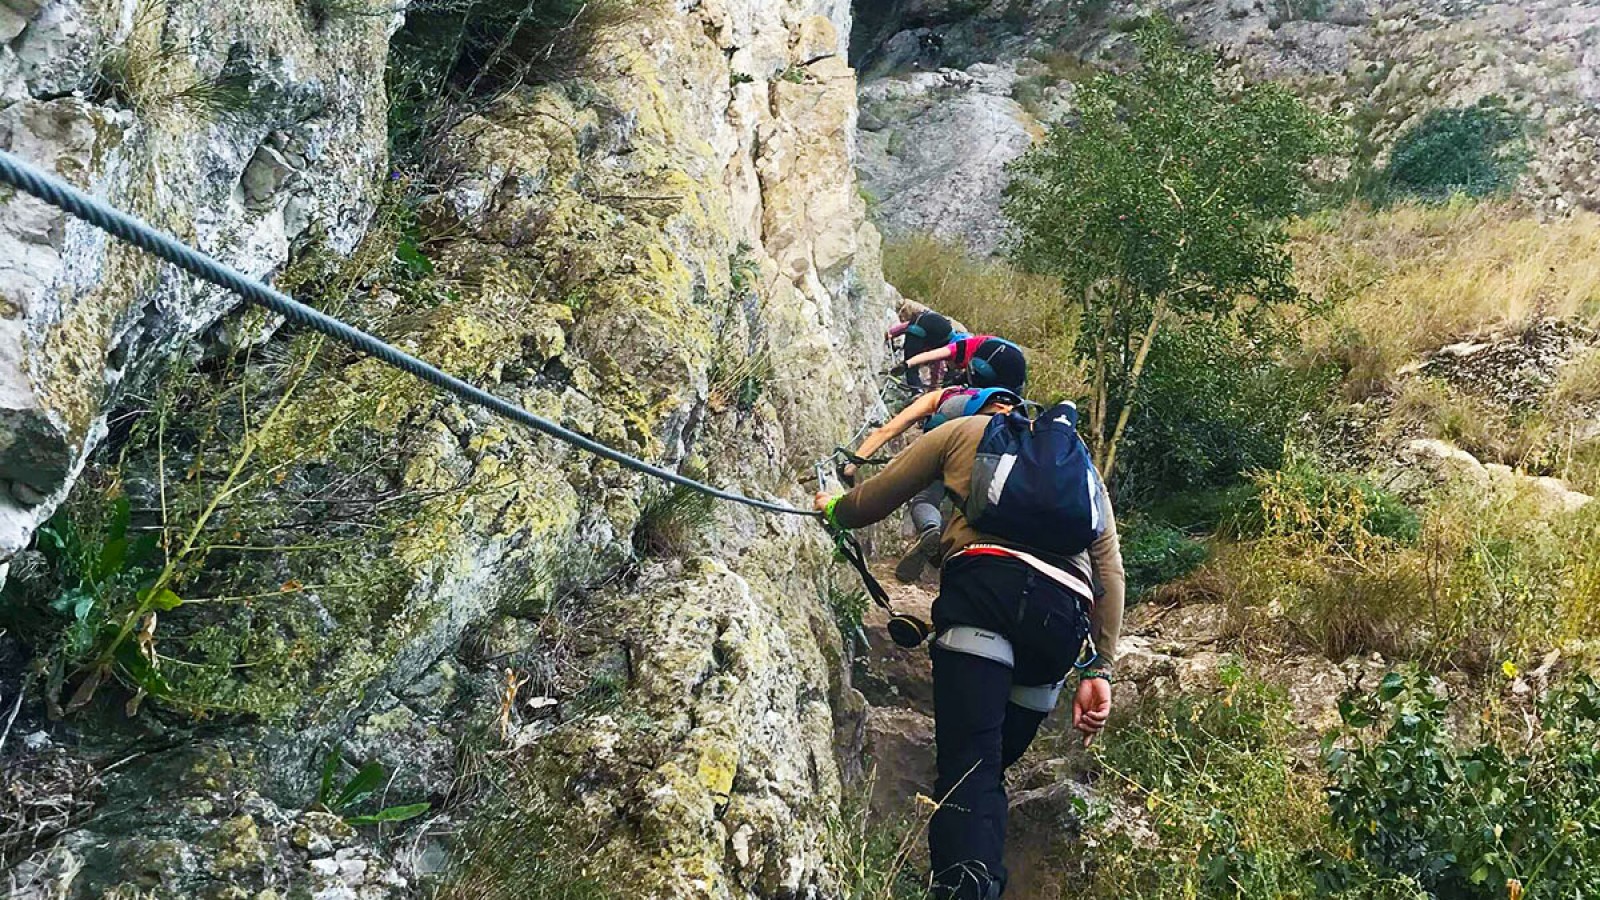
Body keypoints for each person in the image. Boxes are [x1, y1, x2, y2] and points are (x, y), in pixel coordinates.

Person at [815, 404, 1125, 900]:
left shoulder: (966, 430)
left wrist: (833, 507)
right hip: (1060, 620)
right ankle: (975, 866)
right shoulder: (1085, 473)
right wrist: (1098, 667)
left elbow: (879, 495)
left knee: (971, 766)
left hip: (985, 590)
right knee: (989, 765)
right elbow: (1109, 573)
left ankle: (964, 882)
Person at [843, 339, 1028, 582]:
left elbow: (887, 431)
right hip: (998, 474)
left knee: (924, 499)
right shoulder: (1018, 413)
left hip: (941, 458)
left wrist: (853, 463)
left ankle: (931, 529)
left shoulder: (947, 396)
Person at [899, 335, 1023, 390]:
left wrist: (906, 364)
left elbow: (933, 354)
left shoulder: (958, 348)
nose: (948, 365)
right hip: (1011, 358)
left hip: (1003, 362)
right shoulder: (969, 350)